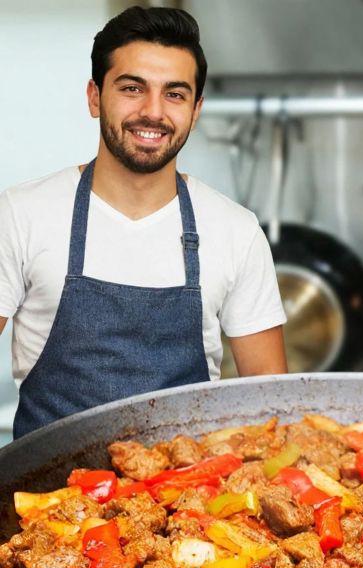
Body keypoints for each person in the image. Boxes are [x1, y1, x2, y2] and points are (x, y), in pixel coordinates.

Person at [0, 6, 287, 439]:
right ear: (95, 97)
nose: (152, 112)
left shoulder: (236, 231)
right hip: (45, 496)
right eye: (133, 88)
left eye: (174, 94)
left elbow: (271, 404)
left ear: (196, 109)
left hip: (188, 498)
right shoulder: (21, 214)